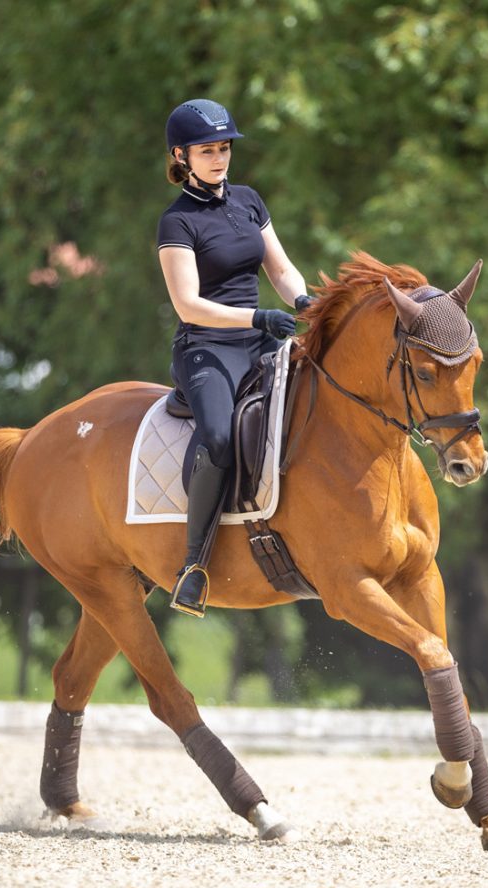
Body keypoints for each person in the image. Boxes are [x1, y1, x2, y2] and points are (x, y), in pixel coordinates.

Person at [157, 98, 312, 616]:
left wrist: (305, 301)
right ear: (182, 155)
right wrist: (256, 319)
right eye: (207, 150)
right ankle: (193, 567)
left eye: (224, 148)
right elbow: (187, 302)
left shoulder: (248, 200)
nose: (219, 158)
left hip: (259, 337)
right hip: (205, 346)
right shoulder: (177, 222)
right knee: (220, 438)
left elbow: (282, 270)